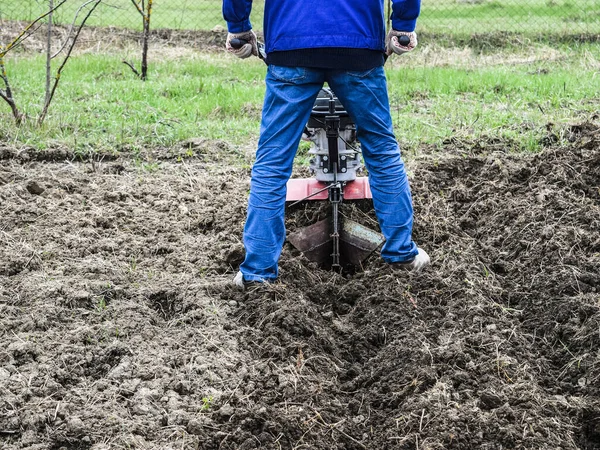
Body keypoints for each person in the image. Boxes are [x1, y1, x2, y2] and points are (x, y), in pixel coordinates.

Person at [223, 0, 430, 289]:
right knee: (381, 150)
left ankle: (257, 271)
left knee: (272, 159)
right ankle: (402, 254)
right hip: (358, 44)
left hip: (290, 43)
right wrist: (403, 26)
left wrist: (239, 28)